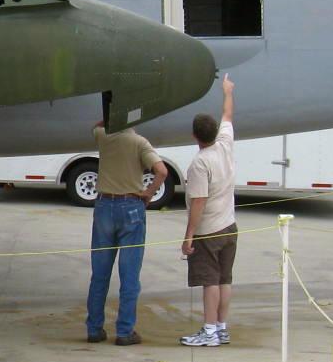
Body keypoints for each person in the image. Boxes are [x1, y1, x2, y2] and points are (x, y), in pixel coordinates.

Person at [85, 122, 167, 346]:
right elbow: (162, 171)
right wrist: (149, 193)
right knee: (129, 274)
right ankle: (124, 330)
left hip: (104, 205)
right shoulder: (140, 143)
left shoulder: (103, 136)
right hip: (131, 204)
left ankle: (94, 328)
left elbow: (96, 125)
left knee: (99, 274)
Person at [181, 74, 238, 347]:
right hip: (229, 225)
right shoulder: (225, 144)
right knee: (225, 279)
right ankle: (222, 327)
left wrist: (189, 235)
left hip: (209, 230)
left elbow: (199, 201)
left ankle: (210, 330)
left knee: (210, 281)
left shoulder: (200, 164)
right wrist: (227, 90)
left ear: (194, 136)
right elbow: (228, 114)